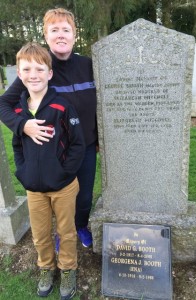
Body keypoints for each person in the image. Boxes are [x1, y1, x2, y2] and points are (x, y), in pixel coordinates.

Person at [0, 8, 97, 248]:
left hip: (84, 146)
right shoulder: (39, 68)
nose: (61, 35)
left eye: (66, 30)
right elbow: (3, 103)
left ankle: (81, 226)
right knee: (57, 194)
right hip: (52, 149)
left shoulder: (89, 65)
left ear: (75, 35)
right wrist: (23, 125)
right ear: (46, 35)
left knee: (83, 195)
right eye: (55, 30)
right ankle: (61, 233)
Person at [13, 42, 85, 299]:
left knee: (65, 232)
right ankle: (46, 267)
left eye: (40, 69)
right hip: (34, 188)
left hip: (63, 186)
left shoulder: (62, 106)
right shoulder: (19, 110)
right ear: (20, 74)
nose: (34, 74)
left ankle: (68, 269)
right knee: (40, 233)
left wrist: (64, 173)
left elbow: (77, 143)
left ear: (49, 73)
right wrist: (23, 172)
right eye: (27, 69)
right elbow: (17, 145)